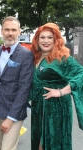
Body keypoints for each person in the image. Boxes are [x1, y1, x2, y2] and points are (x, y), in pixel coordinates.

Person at [29, 22, 83, 150]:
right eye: (42, 37)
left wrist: (61, 92)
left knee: (52, 144)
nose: (46, 41)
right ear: (37, 39)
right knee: (38, 143)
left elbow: (81, 74)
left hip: (56, 109)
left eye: (50, 37)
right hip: (38, 108)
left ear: (55, 40)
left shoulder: (62, 57)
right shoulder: (36, 57)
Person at [0, 16, 33, 150]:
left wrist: (10, 118)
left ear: (19, 31)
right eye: (7, 29)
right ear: (2, 31)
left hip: (14, 112)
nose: (10, 33)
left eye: (13, 30)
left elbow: (24, 88)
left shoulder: (26, 54)